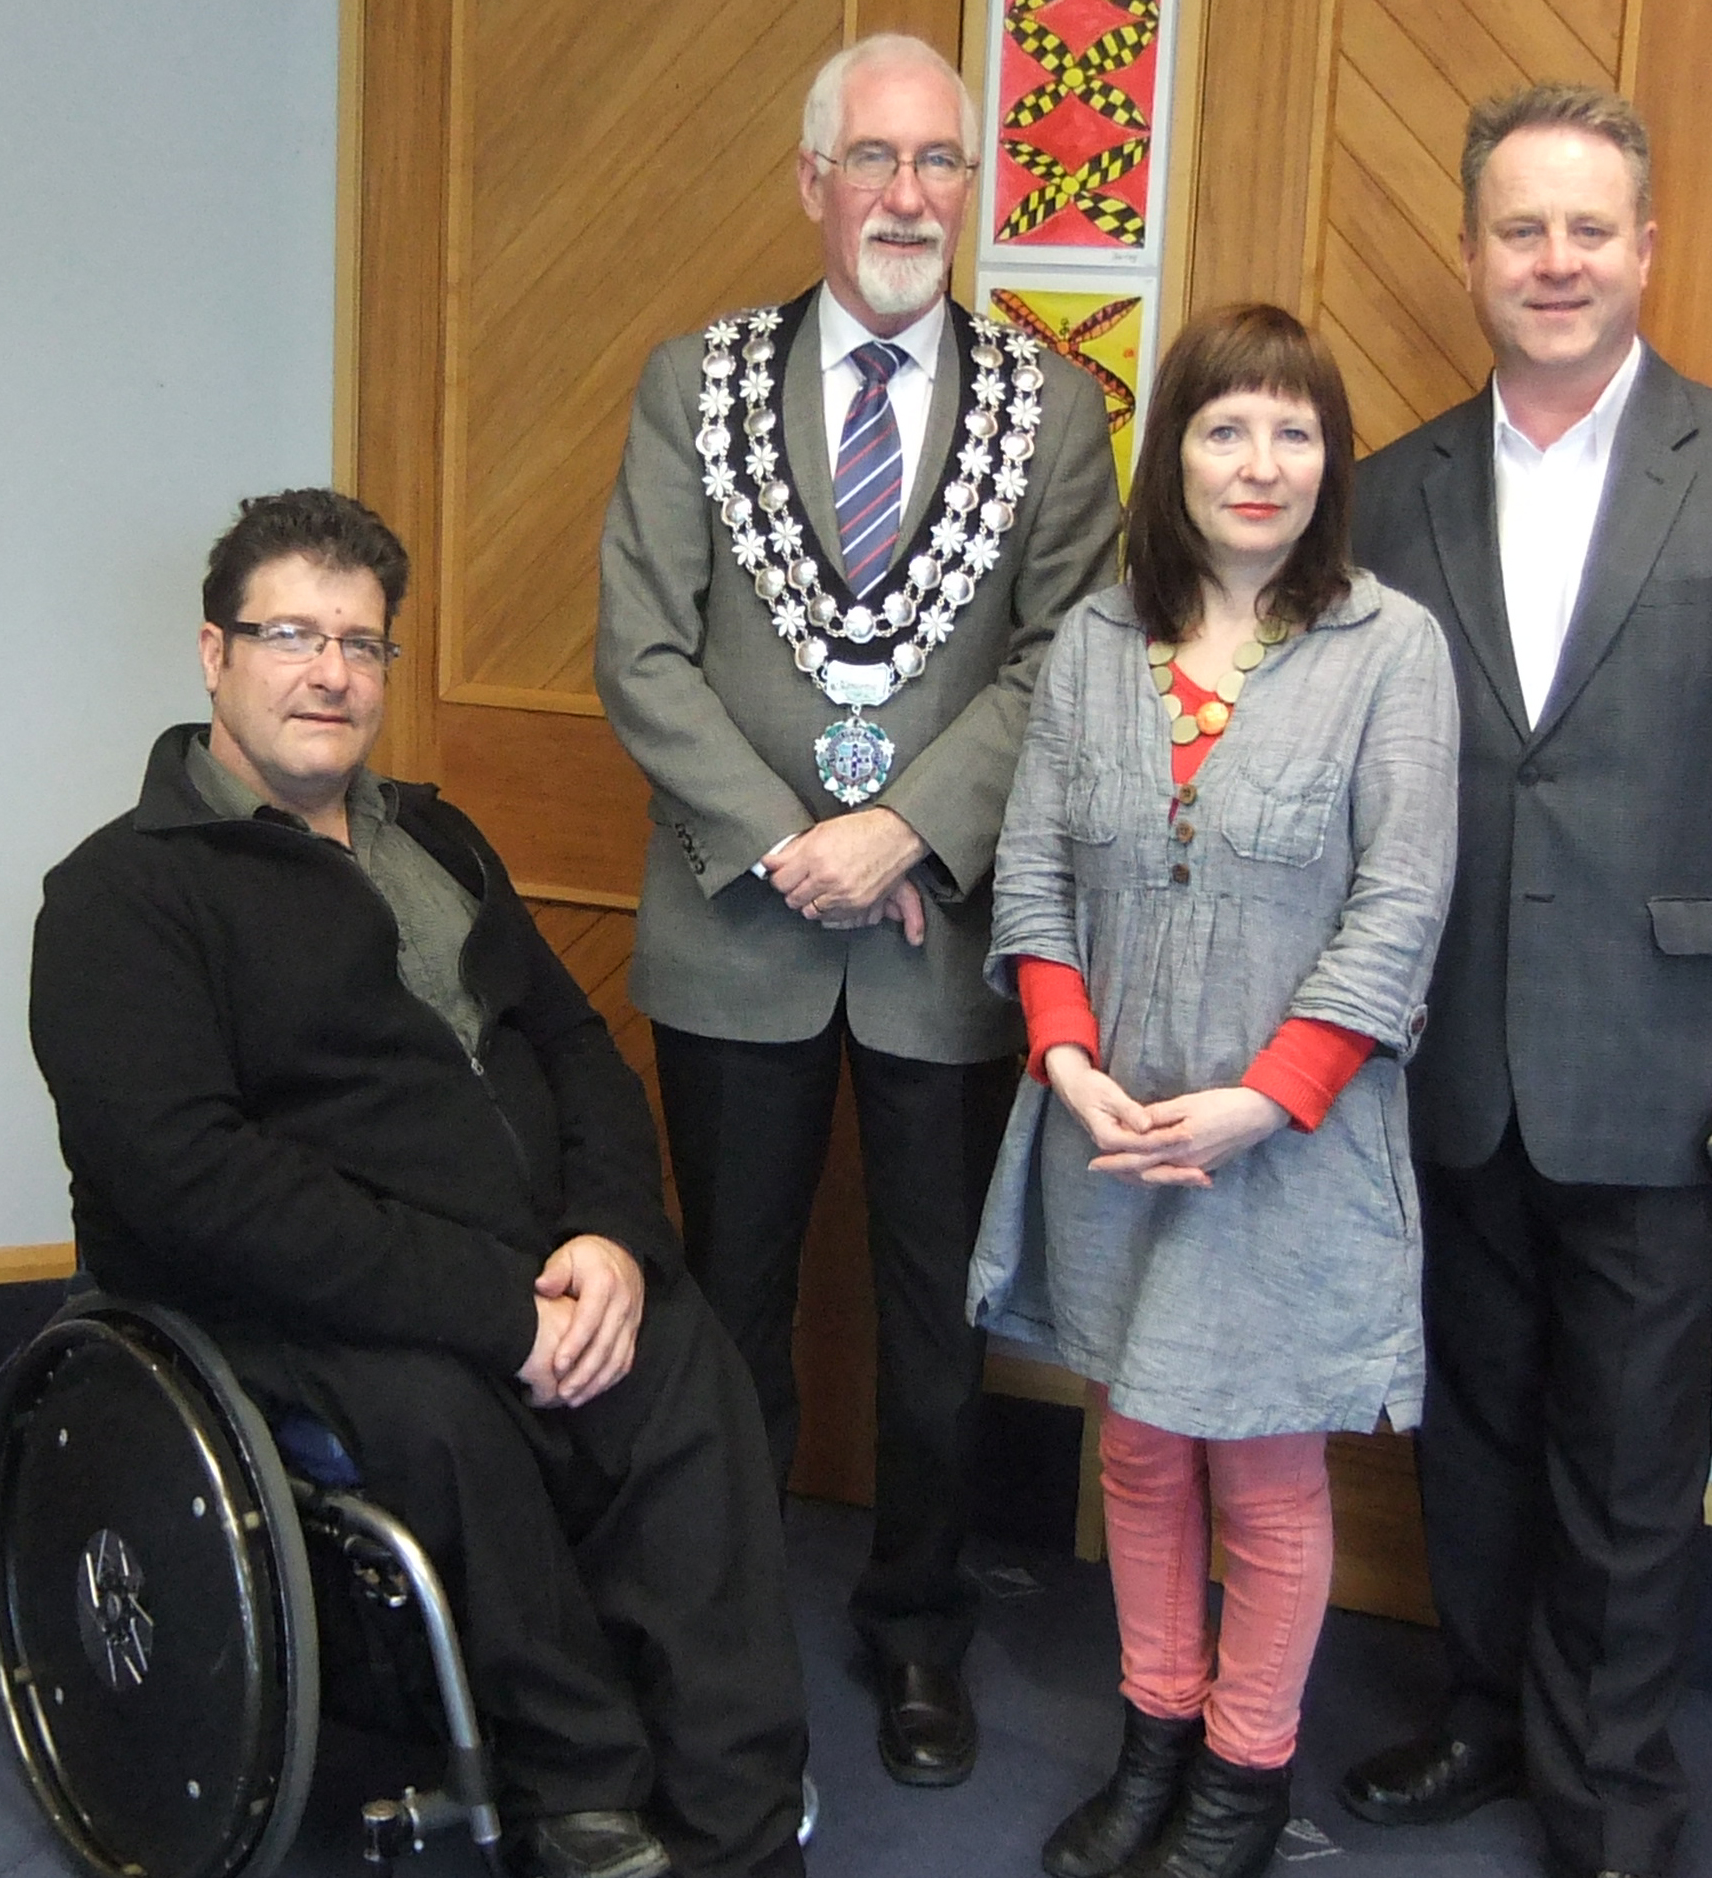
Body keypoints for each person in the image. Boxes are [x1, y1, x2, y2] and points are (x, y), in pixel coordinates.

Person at [27, 489, 809, 1878]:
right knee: (440, 1411)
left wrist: (613, 1242)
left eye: (363, 643)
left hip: (532, 1262)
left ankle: (742, 1819)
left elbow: (575, 1049)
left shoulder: (438, 843)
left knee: (687, 1356)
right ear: (215, 652)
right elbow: (194, 1183)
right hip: (290, 1300)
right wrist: (496, 1308)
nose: (331, 671)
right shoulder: (120, 896)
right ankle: (578, 1791)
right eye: (291, 634)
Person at [1335, 85, 1712, 1878]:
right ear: (1471, 253)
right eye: (1521, 229)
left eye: (1590, 229)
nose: (1555, 260)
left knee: (1633, 1454)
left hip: (1672, 1069)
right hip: (1446, 1059)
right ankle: (1488, 1717)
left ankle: (1612, 1790)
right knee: (1478, 1424)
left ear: (1647, 250)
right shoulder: (1391, 489)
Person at [593, 33, 1122, 1788]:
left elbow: (1071, 656)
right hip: (736, 933)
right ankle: (721, 1628)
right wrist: (783, 835)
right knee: (726, 1306)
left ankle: (916, 1633)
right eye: (875, 161)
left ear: (974, 186)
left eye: (943, 165)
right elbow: (642, 650)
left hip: (941, 951)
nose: (911, 197)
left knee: (929, 1326)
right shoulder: (696, 381)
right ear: (813, 179)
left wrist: (901, 827)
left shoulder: (1048, 407)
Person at [969, 303, 1461, 1878]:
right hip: (1108, 1130)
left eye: (1294, 430)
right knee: (1133, 1448)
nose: (1260, 464)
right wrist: (1065, 1064)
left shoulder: (1391, 650)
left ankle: (1243, 1780)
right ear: (1167, 448)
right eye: (1224, 427)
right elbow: (1033, 869)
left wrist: (1266, 1096)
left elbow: (1402, 906)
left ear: (1332, 460)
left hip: (1283, 1145)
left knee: (1257, 1459)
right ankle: (1153, 1736)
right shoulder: (1098, 645)